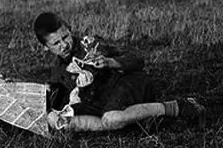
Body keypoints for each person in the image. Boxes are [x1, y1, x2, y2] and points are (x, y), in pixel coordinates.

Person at [33, 12, 206, 132]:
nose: (64, 45)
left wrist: (110, 62)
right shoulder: (58, 69)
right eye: (56, 43)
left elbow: (137, 60)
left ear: (69, 30)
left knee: (112, 119)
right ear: (46, 48)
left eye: (65, 37)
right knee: (60, 122)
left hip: (125, 84)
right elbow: (62, 94)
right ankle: (137, 120)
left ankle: (178, 107)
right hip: (101, 102)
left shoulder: (91, 45)